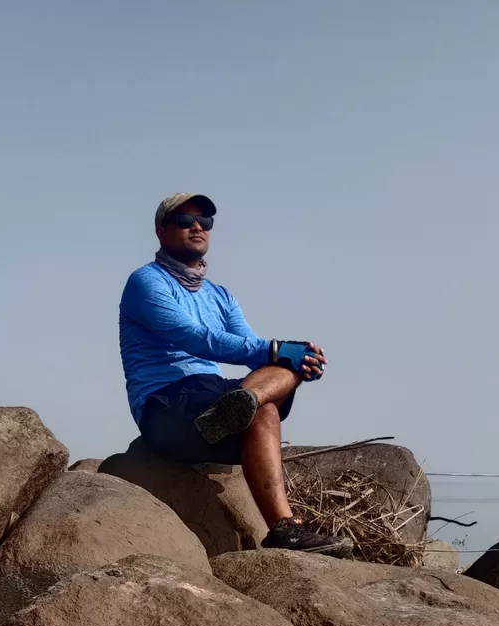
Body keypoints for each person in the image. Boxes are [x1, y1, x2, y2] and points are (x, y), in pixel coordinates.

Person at [119, 192, 353, 555]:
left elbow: (250, 347)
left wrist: (297, 360)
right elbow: (197, 339)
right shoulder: (146, 282)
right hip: (167, 403)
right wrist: (277, 350)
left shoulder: (220, 295)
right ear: (161, 231)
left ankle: (283, 526)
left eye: (205, 221)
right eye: (185, 220)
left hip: (212, 401)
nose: (197, 226)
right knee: (275, 361)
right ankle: (238, 405)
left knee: (272, 391)